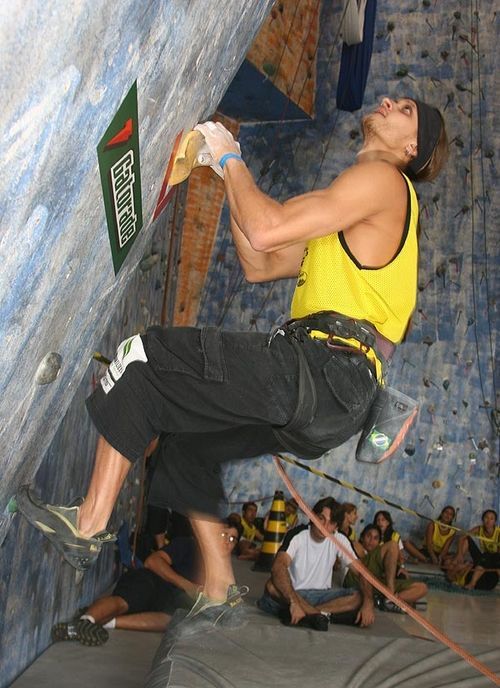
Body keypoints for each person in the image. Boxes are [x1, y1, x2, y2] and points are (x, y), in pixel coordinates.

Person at [18, 96, 448, 627]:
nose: (388, 101)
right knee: (185, 447)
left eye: (404, 108)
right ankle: (220, 587)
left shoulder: (384, 179)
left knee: (144, 355)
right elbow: (260, 261)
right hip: (332, 401)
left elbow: (266, 226)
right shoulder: (349, 223)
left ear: (411, 148)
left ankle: (87, 525)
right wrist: (225, 176)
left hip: (321, 370)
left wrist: (229, 155)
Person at [52, 524, 239, 645]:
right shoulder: (189, 545)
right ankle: (85, 621)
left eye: (232, 539)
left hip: (167, 606)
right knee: (126, 600)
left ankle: (101, 622)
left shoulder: (223, 573)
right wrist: (188, 586)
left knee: (174, 619)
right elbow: (153, 561)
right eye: (224, 534)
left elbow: (232, 603)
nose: (226, 541)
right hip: (153, 582)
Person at [257, 498, 374, 630]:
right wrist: (294, 601)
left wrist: (368, 603)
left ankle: (309, 615)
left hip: (322, 597)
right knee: (271, 586)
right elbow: (278, 566)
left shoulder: (339, 539)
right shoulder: (298, 534)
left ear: (336, 527)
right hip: (293, 593)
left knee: (359, 596)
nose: (324, 526)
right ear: (312, 516)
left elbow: (362, 572)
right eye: (321, 518)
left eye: (331, 523)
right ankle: (320, 615)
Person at [344, 524, 427, 612]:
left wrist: (400, 567)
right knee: (393, 545)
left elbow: (392, 565)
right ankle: (390, 594)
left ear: (379, 542)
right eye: (369, 536)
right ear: (361, 538)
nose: (371, 541)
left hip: (375, 584)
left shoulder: (380, 556)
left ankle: (388, 602)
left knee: (422, 587)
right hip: (356, 578)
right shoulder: (356, 546)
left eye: (375, 538)